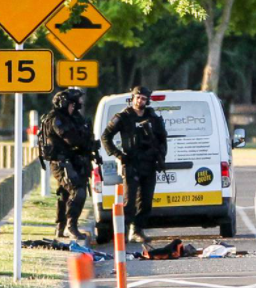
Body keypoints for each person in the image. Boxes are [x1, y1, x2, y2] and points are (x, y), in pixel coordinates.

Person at [100, 85, 168, 243]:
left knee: (146, 201)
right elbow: (106, 136)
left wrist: (161, 157)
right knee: (129, 202)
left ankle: (137, 230)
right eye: (137, 97)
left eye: (143, 98)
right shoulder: (123, 116)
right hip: (131, 163)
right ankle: (122, 232)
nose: (140, 101)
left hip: (149, 163)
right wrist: (118, 155)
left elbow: (162, 139)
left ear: (147, 101)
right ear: (132, 98)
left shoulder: (153, 117)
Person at [40, 89, 99, 240]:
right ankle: (70, 226)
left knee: (65, 194)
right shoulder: (56, 119)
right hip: (62, 162)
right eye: (73, 104)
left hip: (76, 160)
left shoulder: (75, 117)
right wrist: (85, 143)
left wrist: (90, 145)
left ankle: (61, 227)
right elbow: (71, 139)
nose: (76, 106)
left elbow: (84, 136)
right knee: (77, 191)